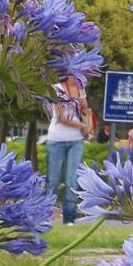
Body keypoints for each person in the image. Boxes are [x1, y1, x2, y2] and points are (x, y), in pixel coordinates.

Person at [45, 76, 91, 225]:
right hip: (56, 140)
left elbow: (86, 113)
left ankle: (69, 219)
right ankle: (45, 216)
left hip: (76, 141)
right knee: (53, 181)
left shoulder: (80, 90)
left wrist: (85, 110)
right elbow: (61, 118)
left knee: (72, 180)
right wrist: (82, 126)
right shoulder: (56, 88)